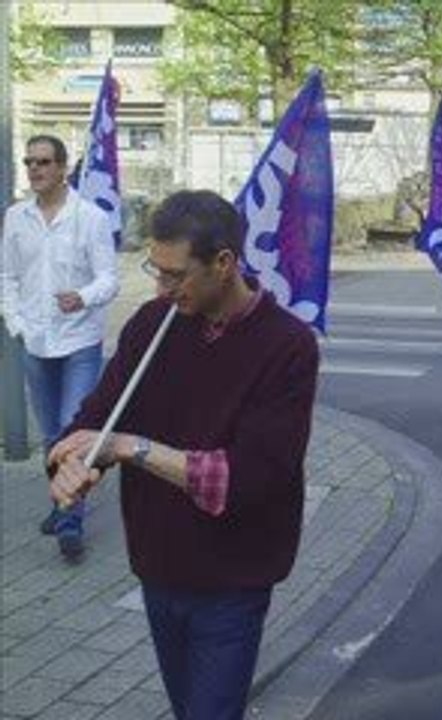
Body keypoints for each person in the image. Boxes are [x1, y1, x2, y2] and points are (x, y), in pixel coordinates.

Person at [46, 190, 319, 719]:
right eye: (156, 270)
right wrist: (71, 461)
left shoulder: (287, 346)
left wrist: (131, 448)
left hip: (233, 575)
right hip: (158, 563)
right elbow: (97, 417)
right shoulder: (153, 323)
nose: (161, 288)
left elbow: (247, 480)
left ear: (224, 263)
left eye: (175, 275)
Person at [0, 134, 118, 560]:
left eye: (44, 162)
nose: (34, 169)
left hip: (79, 341)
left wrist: (82, 297)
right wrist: (17, 325)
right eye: (29, 162)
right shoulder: (16, 217)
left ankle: (70, 520)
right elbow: (7, 277)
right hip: (35, 342)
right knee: (52, 434)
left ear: (63, 168)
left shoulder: (90, 218)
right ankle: (59, 500)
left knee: (73, 429)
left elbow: (109, 279)